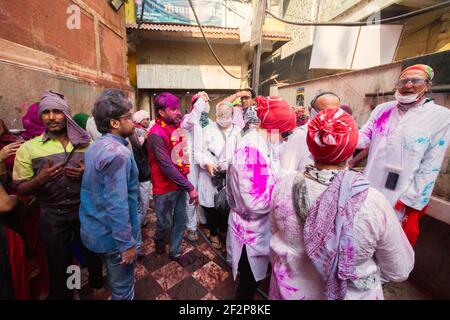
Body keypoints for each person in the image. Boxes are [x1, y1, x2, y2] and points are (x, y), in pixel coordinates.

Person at [269, 108, 415, 300]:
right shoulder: (372, 202)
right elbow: (399, 269)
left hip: (289, 291)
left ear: (310, 146)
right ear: (351, 148)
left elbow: (273, 231)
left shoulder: (283, 185)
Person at [12, 91, 104, 300]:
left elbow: (101, 178)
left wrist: (85, 174)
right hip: (52, 216)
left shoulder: (85, 143)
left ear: (67, 114)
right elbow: (20, 188)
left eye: (57, 111)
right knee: (60, 262)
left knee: (92, 253)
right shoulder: (29, 149)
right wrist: (39, 180)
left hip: (84, 211)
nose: (52, 117)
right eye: (46, 112)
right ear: (40, 116)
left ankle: (97, 284)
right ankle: (71, 291)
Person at [358, 64, 450, 246]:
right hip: (370, 187)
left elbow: (432, 163)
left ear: (427, 85)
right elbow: (363, 139)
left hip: (400, 196)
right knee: (363, 234)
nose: (408, 85)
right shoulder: (382, 109)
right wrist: (338, 133)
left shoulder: (441, 117)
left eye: (415, 80)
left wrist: (412, 200)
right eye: (403, 81)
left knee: (388, 244)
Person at [226, 96, 296, 300]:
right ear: (273, 127)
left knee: (252, 281)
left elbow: (272, 174)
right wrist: (285, 190)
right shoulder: (252, 152)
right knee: (248, 285)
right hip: (251, 233)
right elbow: (257, 202)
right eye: (285, 133)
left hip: (259, 229)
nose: (285, 138)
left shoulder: (264, 143)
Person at [79, 94, 140, 300]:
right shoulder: (118, 154)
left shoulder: (95, 146)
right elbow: (117, 204)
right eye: (128, 117)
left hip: (93, 230)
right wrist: (126, 244)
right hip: (112, 237)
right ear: (114, 123)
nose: (132, 121)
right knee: (123, 289)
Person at [148, 92, 199, 266]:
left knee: (180, 220)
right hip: (163, 189)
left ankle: (175, 251)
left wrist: (185, 185)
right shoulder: (155, 133)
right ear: (161, 112)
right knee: (164, 223)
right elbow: (166, 166)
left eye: (178, 108)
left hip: (179, 186)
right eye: (173, 109)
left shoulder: (177, 127)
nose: (178, 112)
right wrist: (190, 186)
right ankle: (159, 239)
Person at [194, 101, 241, 249]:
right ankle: (213, 234)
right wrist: (207, 163)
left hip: (230, 175)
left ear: (232, 115)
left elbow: (243, 152)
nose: (223, 117)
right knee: (211, 206)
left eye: (226, 114)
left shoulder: (239, 131)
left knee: (227, 205)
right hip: (211, 175)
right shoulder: (208, 129)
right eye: (220, 114)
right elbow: (198, 152)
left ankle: (224, 230)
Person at [280, 91, 341, 174]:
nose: (328, 116)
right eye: (323, 112)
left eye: (334, 112)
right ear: (310, 109)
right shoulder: (301, 135)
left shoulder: (341, 135)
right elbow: (286, 171)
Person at [181, 92, 211, 242]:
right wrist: (200, 99)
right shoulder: (188, 119)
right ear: (195, 105)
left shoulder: (207, 121)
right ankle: (192, 227)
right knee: (191, 195)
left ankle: (204, 221)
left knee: (204, 190)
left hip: (204, 162)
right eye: (201, 103)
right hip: (191, 164)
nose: (205, 105)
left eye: (206, 103)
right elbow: (193, 118)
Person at [131, 110, 152, 228]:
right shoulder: (141, 132)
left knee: (137, 199)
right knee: (144, 200)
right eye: (146, 119)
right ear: (140, 120)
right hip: (143, 170)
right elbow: (139, 146)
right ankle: (139, 223)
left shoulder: (133, 130)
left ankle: (138, 221)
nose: (148, 121)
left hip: (135, 170)